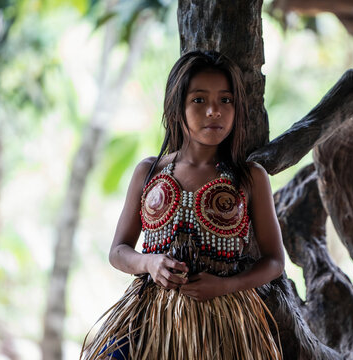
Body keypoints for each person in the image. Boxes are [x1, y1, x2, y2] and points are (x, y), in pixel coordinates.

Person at [81, 50, 285, 360]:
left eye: (225, 100)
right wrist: (149, 263)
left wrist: (226, 286)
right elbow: (118, 251)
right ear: (177, 108)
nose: (214, 111)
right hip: (149, 320)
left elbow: (274, 261)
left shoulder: (250, 177)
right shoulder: (149, 172)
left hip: (222, 326)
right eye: (199, 100)